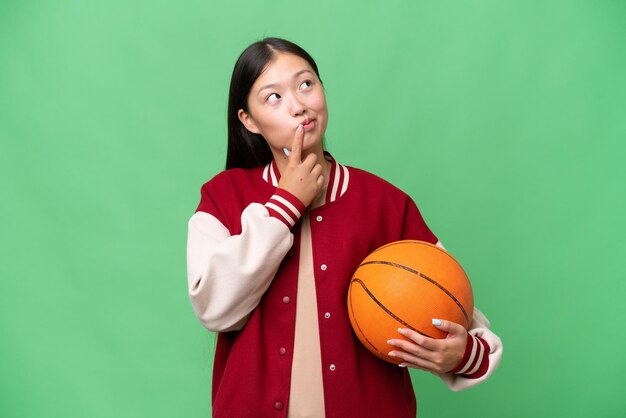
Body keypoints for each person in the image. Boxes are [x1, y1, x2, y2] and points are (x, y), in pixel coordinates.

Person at [187, 37, 502, 418]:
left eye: (306, 84)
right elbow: (215, 309)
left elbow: (456, 312)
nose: (299, 104)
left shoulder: (386, 203)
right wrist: (287, 204)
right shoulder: (222, 197)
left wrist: (464, 354)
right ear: (248, 120)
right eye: (273, 97)